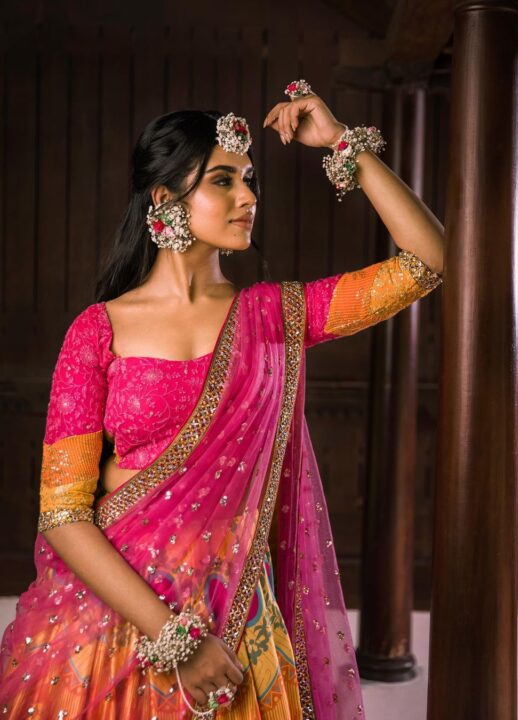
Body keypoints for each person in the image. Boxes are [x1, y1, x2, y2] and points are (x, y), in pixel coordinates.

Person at [0, 80, 444, 719]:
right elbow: (64, 514)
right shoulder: (98, 331)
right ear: (165, 198)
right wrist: (176, 639)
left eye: (250, 180)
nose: (247, 198)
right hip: (114, 620)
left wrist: (343, 141)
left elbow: (427, 261)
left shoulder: (276, 315)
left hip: (237, 615)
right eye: (223, 180)